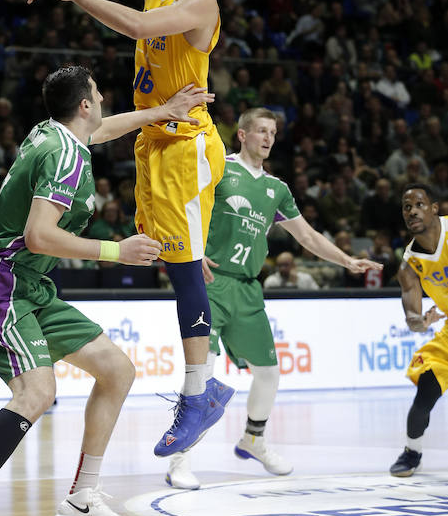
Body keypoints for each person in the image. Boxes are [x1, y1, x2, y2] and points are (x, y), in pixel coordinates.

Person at [0, 66, 212, 516]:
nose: (103, 100)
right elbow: (41, 235)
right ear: (84, 104)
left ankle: (83, 498)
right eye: (99, 94)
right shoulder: (64, 157)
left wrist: (162, 113)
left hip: (31, 284)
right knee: (36, 392)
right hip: (1, 281)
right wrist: (115, 251)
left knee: (116, 370)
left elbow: (104, 129)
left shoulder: (58, 134)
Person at [25, 0, 229, 458]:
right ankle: (206, 386)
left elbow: (140, 28)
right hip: (154, 138)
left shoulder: (197, 0)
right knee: (171, 258)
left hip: (187, 142)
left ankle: (201, 391)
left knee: (180, 265)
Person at [164, 107, 383, 489]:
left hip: (249, 289)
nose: (268, 138)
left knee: (269, 372)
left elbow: (308, 237)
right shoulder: (219, 167)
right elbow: (182, 204)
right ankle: (179, 459)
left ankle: (254, 439)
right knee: (202, 372)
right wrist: (190, 252)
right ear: (243, 135)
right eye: (261, 130)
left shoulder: (277, 189)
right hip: (211, 283)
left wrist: (346, 260)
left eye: (273, 132)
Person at [389, 184, 448, 477]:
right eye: (406, 206)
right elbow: (412, 317)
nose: (412, 211)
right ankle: (412, 452)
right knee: (425, 390)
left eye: (419, 204)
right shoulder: (409, 266)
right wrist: (420, 322)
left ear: (434, 208)